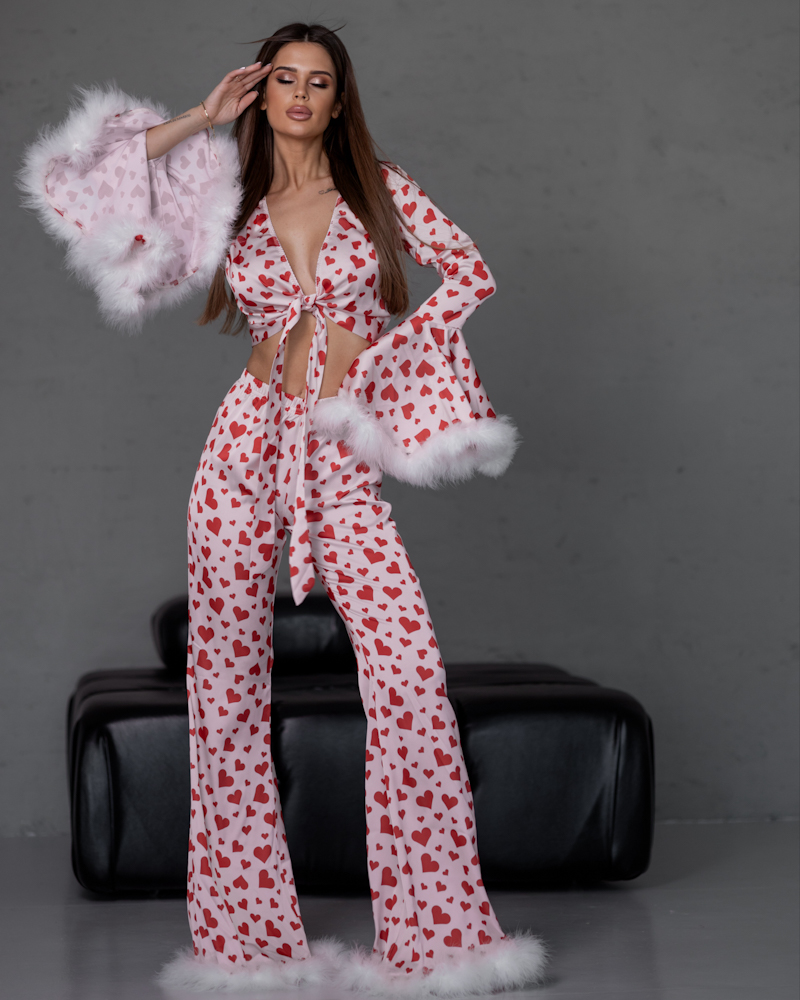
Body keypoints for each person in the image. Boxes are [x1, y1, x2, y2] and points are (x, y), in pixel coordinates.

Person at [21, 21, 546, 997]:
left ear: (338, 102)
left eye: (318, 82)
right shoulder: (226, 196)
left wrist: (382, 362)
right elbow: (81, 194)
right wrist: (199, 117)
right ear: (262, 94)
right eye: (284, 80)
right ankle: (243, 943)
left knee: (408, 674)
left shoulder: (375, 188)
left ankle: (438, 939)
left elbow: (469, 271)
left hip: (339, 454)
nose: (300, 96)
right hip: (243, 445)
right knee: (223, 689)